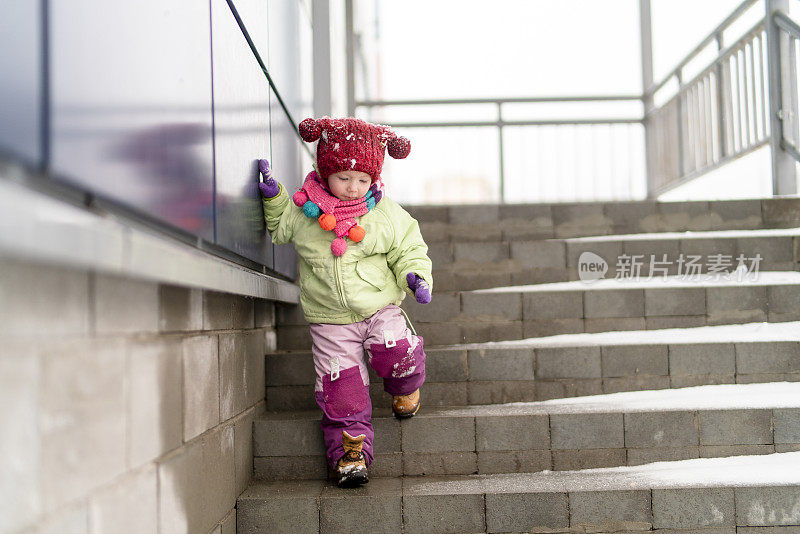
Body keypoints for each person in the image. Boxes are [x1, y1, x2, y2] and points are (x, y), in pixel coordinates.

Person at [259, 117, 433, 487]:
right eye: (344, 177)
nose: (353, 188)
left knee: (395, 350)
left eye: (363, 180)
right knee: (342, 388)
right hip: (330, 320)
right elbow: (280, 228)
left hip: (378, 307)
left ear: (374, 180)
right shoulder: (306, 212)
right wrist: (274, 197)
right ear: (324, 171)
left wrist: (415, 277)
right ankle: (350, 455)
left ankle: (405, 387)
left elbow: (409, 249)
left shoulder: (385, 214)